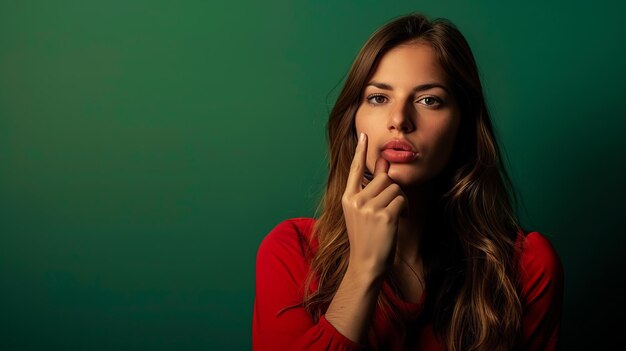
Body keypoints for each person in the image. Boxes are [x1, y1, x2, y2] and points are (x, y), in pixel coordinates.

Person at [252, 13, 563, 351]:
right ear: (353, 118)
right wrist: (363, 270)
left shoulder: (526, 267)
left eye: (428, 100)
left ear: (463, 127)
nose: (399, 120)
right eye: (378, 98)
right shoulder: (292, 252)